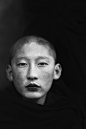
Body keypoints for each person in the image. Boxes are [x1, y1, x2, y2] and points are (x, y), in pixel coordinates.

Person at [0, 35, 84, 129]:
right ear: (10, 73)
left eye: (42, 64)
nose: (32, 75)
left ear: (56, 71)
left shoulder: (66, 116)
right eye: (22, 64)